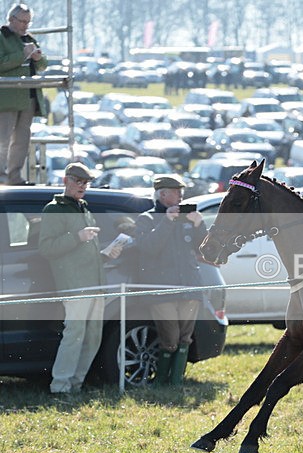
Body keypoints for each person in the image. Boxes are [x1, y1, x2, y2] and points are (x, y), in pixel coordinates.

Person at [38, 163, 122, 393]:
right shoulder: (54, 209)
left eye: (86, 182)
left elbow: (85, 252)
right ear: (65, 181)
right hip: (74, 285)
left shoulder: (84, 208)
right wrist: (76, 236)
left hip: (95, 284)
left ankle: (75, 385)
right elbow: (46, 247)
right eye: (78, 181)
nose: (82, 186)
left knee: (92, 337)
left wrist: (105, 254)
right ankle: (60, 387)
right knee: (74, 335)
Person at [134, 175, 206, 385]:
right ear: (163, 193)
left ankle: (176, 381)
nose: (180, 195)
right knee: (170, 338)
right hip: (161, 289)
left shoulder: (187, 219)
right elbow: (149, 248)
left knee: (185, 338)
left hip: (189, 286)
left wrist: (199, 225)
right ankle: (161, 380)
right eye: (176, 191)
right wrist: (166, 221)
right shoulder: (147, 219)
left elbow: (203, 247)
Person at [0, 4, 47, 185]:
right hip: (7, 99)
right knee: (2, 139)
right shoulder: (2, 37)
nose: (26, 26)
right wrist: (22, 55)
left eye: (28, 22)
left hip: (28, 98)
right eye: (22, 21)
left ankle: (14, 177)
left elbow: (43, 65)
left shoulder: (29, 38)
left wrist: (38, 58)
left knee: (22, 141)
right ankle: (0, 177)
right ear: (11, 19)